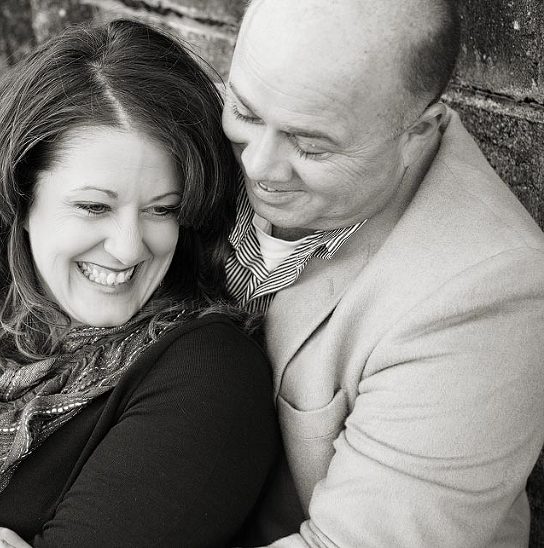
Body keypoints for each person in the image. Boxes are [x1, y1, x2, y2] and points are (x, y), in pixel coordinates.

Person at [0, 19, 280, 548]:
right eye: (94, 207)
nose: (129, 247)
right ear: (19, 197)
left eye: (162, 209)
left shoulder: (206, 377)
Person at [221, 0, 544, 546]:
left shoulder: (486, 293)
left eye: (310, 145)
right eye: (245, 114)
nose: (257, 165)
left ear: (418, 131)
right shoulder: (191, 134)